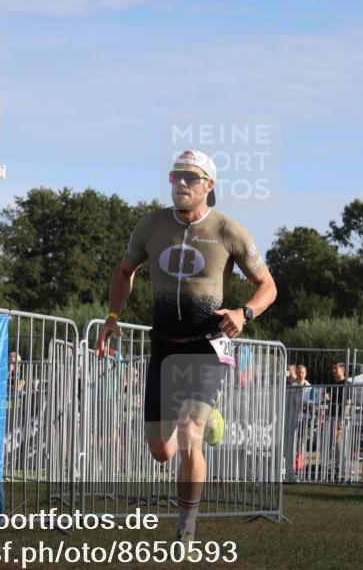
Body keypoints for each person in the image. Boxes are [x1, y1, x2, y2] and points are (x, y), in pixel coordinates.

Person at [95, 150, 277, 542]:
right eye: (176, 176)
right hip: (164, 343)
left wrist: (244, 313)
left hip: (208, 345)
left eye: (191, 178)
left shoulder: (229, 230)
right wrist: (111, 317)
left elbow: (268, 287)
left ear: (209, 186)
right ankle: (206, 421)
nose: (181, 183)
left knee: (190, 432)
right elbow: (125, 271)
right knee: (161, 449)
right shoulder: (151, 225)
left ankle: (186, 531)